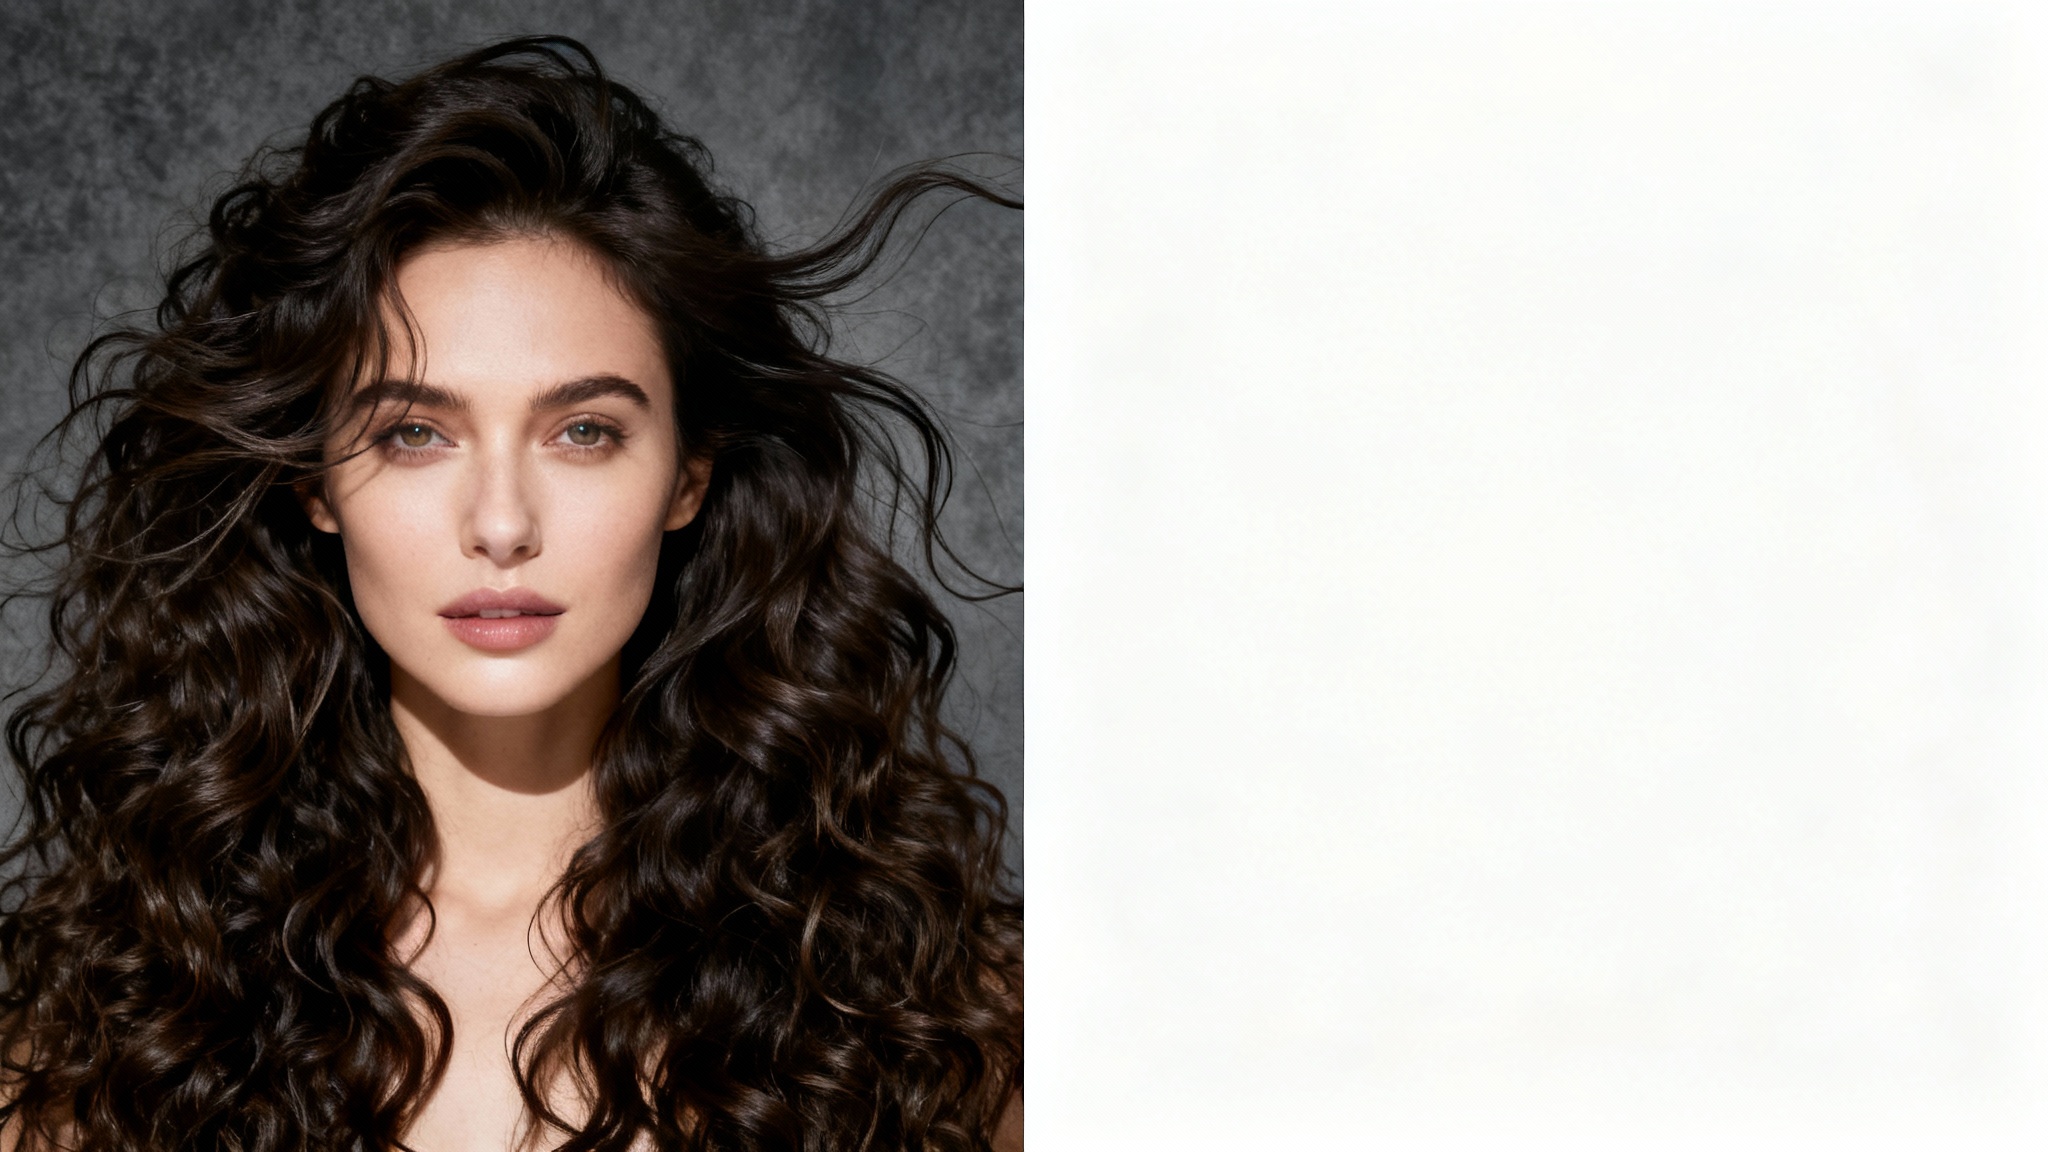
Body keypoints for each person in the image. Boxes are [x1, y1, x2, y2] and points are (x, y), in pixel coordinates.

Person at [0, 36, 1021, 1152]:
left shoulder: (939, 1007)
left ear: (687, 475)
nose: (500, 524)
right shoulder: (100, 1019)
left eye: (583, 432)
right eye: (412, 434)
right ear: (314, 483)